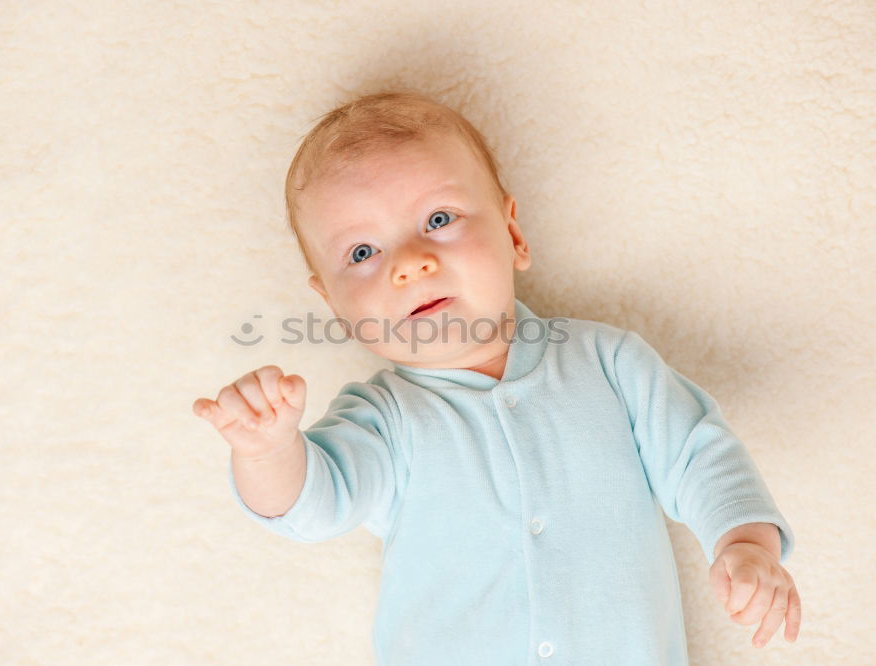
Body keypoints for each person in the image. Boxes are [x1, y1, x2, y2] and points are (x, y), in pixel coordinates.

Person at [191, 90, 801, 665]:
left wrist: (745, 542)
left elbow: (699, 452)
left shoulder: (610, 364)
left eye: (438, 219)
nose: (409, 265)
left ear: (512, 234)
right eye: (361, 253)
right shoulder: (384, 420)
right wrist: (269, 450)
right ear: (335, 309)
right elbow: (315, 504)